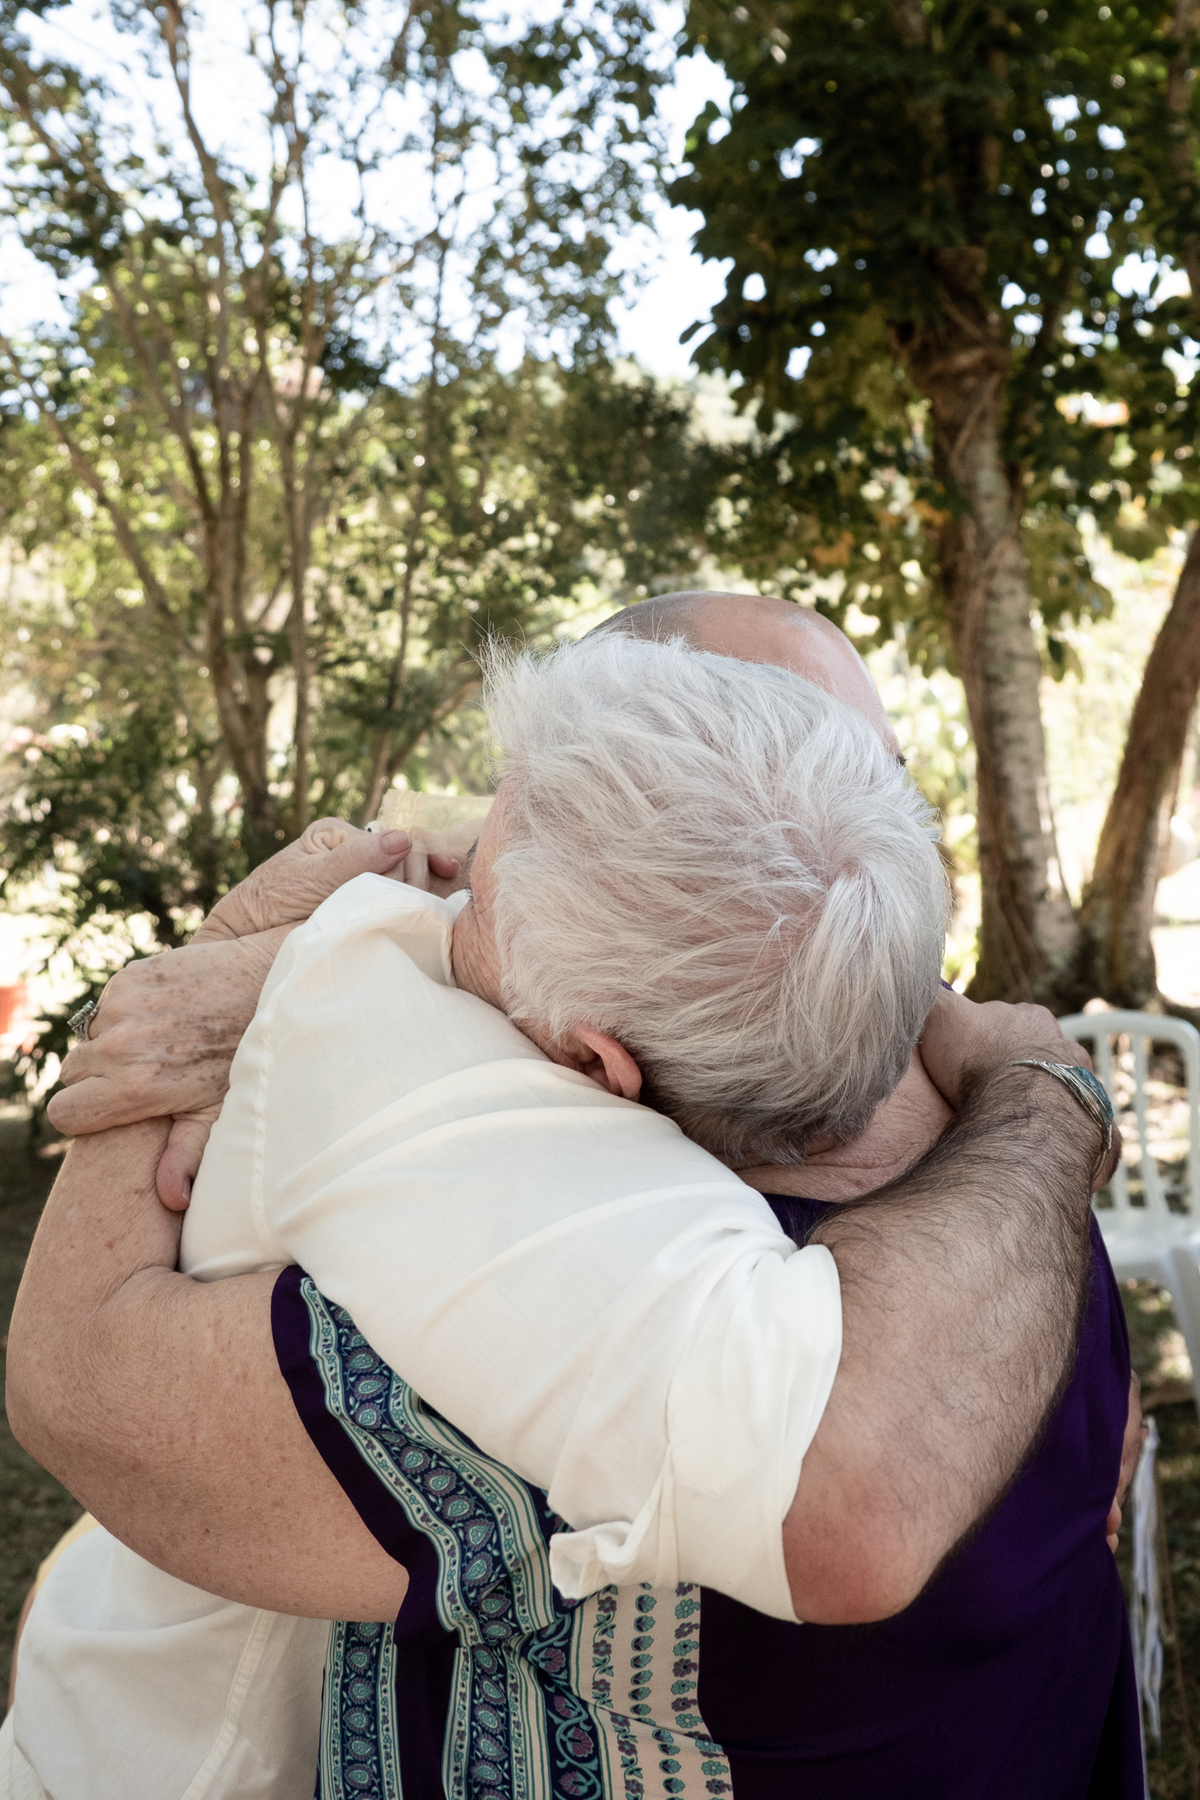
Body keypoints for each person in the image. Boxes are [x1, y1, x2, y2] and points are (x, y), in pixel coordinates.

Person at [8, 606, 1138, 1795]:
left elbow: (74, 1375)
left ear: (599, 1065)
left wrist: (225, 964)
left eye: (475, 900)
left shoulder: (592, 1327)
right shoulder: (1015, 1177)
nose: (439, 895)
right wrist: (1041, 1088)